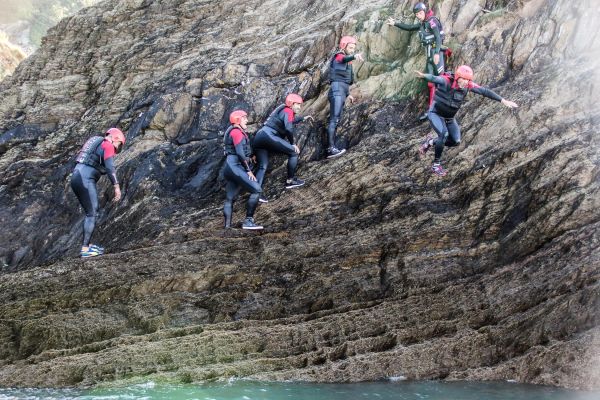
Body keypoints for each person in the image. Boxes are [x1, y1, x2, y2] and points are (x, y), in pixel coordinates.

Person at [415, 65, 519, 176]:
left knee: (455, 141)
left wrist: (503, 101)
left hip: (449, 118)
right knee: (444, 134)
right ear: (457, 77)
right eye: (463, 79)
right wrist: (423, 76)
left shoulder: (468, 86)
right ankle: (436, 165)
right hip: (435, 113)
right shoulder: (446, 81)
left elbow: (485, 91)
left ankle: (429, 142)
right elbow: (435, 78)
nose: (465, 82)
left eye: (468, 79)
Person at [387, 2, 447, 121]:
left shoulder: (432, 21)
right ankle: (432, 110)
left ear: (424, 12)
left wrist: (436, 53)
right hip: (429, 55)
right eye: (417, 14)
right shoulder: (422, 23)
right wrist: (395, 24)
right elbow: (410, 28)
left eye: (420, 13)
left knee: (442, 79)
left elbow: (438, 37)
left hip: (436, 53)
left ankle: (445, 109)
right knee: (430, 82)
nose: (418, 16)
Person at [71, 128, 125, 257]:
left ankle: (88, 245)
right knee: (92, 213)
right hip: (85, 179)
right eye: (119, 145)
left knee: (90, 212)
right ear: (115, 138)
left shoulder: (95, 140)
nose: (117, 149)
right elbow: (110, 167)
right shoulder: (108, 145)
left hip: (76, 176)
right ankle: (85, 249)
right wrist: (116, 186)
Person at [254, 93, 313, 190]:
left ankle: (255, 191)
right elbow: (288, 128)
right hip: (269, 135)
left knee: (262, 166)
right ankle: (290, 180)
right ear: (292, 103)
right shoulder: (288, 111)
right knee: (293, 153)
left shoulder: (284, 110)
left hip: (259, 137)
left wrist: (303, 118)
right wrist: (292, 144)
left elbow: (290, 121)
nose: (299, 107)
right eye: (298, 104)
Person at [222, 110, 264, 230]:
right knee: (257, 190)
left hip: (229, 167)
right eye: (244, 118)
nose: (247, 120)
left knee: (230, 198)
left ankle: (227, 227)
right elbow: (240, 154)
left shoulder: (234, 131)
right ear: (237, 120)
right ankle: (248, 221)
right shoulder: (237, 133)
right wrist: (248, 171)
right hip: (235, 166)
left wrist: (251, 157)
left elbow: (240, 151)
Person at [327, 35, 364, 158]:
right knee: (334, 119)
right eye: (351, 47)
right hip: (336, 91)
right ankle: (331, 148)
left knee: (336, 119)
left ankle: (333, 147)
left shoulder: (346, 60)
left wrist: (348, 95)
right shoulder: (339, 56)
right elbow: (343, 59)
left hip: (341, 91)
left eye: (354, 48)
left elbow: (343, 79)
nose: (352, 50)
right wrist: (354, 56)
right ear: (344, 46)